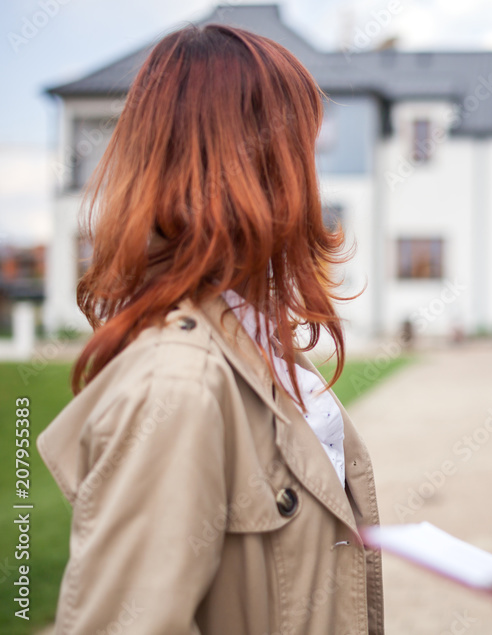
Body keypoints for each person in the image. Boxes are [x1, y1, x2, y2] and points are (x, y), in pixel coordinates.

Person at [38, 25, 384, 634]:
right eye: (303, 142)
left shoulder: (250, 336)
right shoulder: (179, 385)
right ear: (254, 160)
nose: (313, 164)